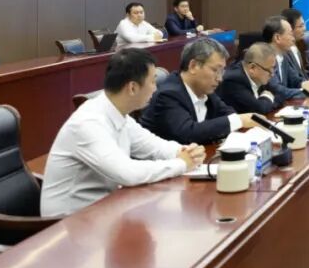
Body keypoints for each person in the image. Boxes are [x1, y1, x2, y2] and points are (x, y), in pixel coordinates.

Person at [40, 49, 205, 216]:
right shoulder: (88, 123)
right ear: (132, 88)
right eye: (152, 82)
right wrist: (181, 164)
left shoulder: (119, 114)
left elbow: (152, 145)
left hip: (102, 208)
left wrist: (184, 151)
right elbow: (127, 173)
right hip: (67, 222)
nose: (155, 89)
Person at [141, 37, 256, 144]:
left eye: (222, 71)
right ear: (193, 66)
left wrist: (238, 120)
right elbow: (187, 133)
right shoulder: (168, 94)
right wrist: (238, 120)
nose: (220, 78)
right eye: (215, 70)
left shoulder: (205, 90)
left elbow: (228, 114)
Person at [263, 14, 309, 102]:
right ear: (277, 38)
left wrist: (305, 84)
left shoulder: (283, 56)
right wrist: (304, 91)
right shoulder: (265, 59)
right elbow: (277, 90)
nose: (293, 39)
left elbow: (294, 80)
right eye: (290, 34)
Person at [216, 42, 279, 115]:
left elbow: (279, 95)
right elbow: (259, 110)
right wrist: (268, 96)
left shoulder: (261, 74)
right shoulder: (233, 81)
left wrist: (266, 100)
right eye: (269, 69)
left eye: (273, 68)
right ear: (252, 68)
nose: (272, 74)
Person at [281, 7, 309, 71]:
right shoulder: (284, 53)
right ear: (289, 28)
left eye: (304, 24)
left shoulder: (296, 46)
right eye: (300, 26)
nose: (304, 29)